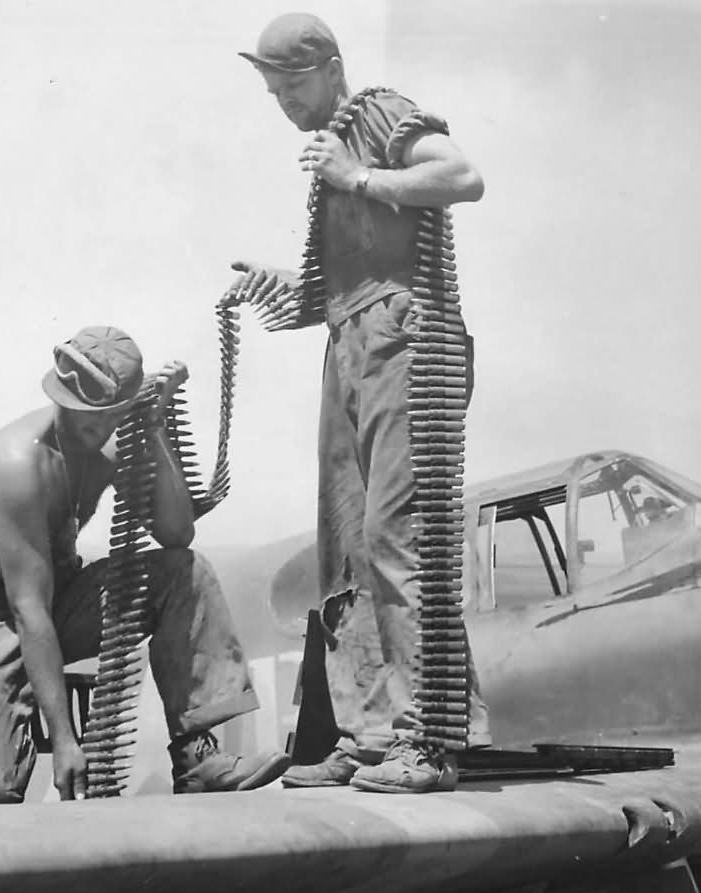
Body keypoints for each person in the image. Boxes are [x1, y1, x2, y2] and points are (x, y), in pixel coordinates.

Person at [232, 13, 491, 793]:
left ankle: (430, 738)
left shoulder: (375, 113)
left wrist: (359, 176)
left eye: (292, 84)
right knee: (343, 546)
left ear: (330, 68)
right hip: (350, 342)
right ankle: (371, 732)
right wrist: (289, 287)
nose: (282, 101)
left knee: (397, 536)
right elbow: (359, 265)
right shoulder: (333, 146)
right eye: (272, 90)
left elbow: (461, 176)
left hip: (406, 345)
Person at [0, 325, 290, 808]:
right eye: (82, 413)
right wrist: (64, 741)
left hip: (54, 598)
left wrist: (153, 427)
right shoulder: (20, 465)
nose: (89, 426)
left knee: (184, 572)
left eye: (106, 416)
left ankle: (196, 759)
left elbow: (177, 534)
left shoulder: (112, 443)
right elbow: (26, 607)